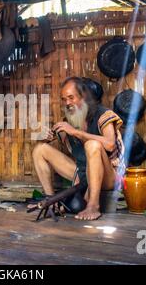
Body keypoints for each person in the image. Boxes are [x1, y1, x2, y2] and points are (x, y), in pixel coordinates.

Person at [32, 76, 125, 220]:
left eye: (71, 97)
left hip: (109, 177)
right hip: (83, 175)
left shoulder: (103, 115)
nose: (67, 103)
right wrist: (46, 136)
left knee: (92, 145)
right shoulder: (68, 121)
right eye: (64, 99)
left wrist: (75, 132)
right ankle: (51, 201)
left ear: (83, 97)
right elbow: (47, 140)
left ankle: (93, 205)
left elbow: (110, 143)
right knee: (40, 149)